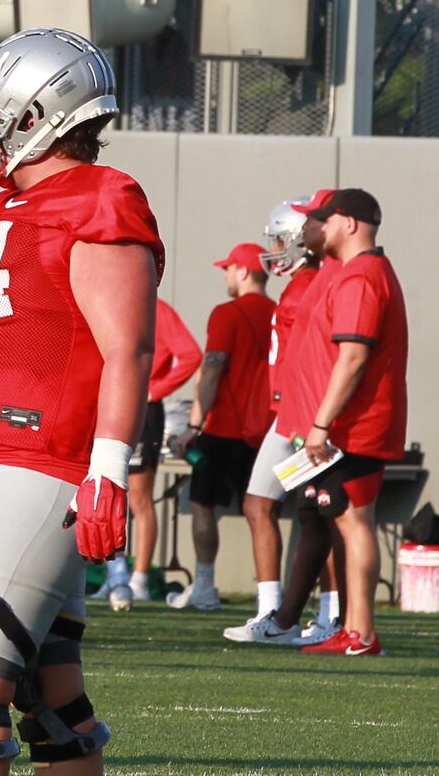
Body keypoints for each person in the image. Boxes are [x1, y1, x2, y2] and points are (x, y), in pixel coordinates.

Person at [0, 27, 162, 773]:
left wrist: (110, 468)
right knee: (50, 697)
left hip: (37, 463)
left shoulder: (100, 198)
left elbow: (128, 348)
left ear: (40, 113)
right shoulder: (10, 204)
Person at [276, 188, 407, 656]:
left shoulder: (362, 277)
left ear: (349, 223)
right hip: (351, 425)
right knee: (348, 521)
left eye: (326, 220)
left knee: (354, 523)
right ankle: (354, 629)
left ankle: (363, 633)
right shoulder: (360, 272)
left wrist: (320, 425)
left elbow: (352, 357)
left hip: (355, 427)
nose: (318, 229)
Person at [224, 199, 341, 644]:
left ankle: (324, 615)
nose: (273, 249)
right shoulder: (300, 283)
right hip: (290, 412)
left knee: (318, 514)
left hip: (303, 415)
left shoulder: (310, 283)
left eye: (278, 240)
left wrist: (311, 415)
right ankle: (274, 609)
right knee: (269, 505)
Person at [166, 243, 275, 612]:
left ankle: (206, 586)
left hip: (225, 428)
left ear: (243, 272)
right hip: (269, 431)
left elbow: (212, 371)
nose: (226, 276)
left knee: (201, 505)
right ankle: (271, 597)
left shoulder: (228, 314)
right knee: (263, 512)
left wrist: (193, 425)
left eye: (229, 269)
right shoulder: (279, 314)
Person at [101, 298, 199, 608]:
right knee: (106, 491)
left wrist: (155, 390)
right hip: (109, 405)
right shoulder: (103, 301)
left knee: (140, 498)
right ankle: (115, 578)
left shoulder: (156, 308)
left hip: (143, 410)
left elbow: (190, 355)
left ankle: (139, 580)